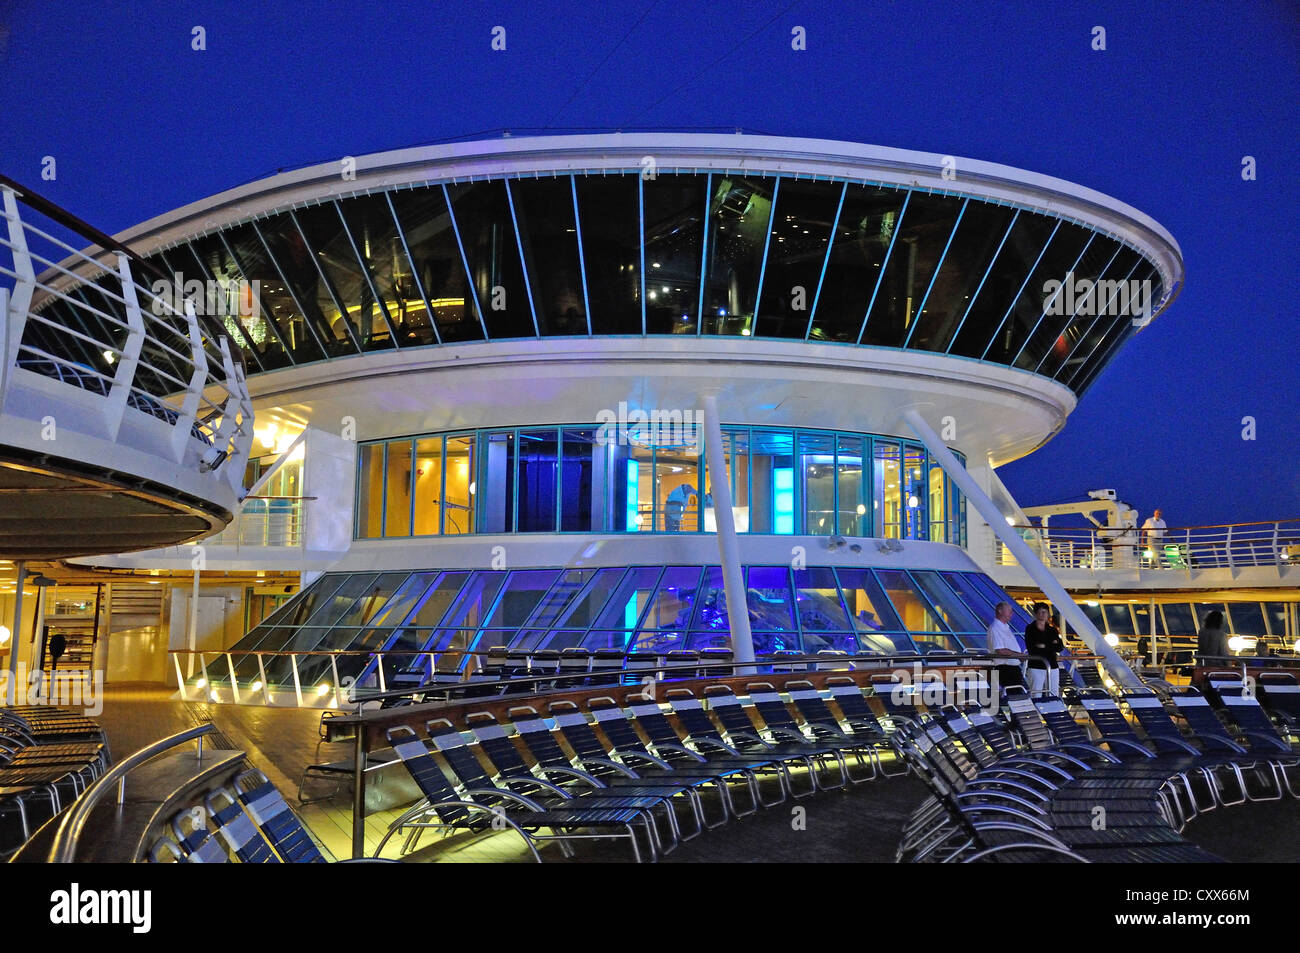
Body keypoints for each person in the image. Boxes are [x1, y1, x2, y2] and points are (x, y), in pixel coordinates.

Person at [1023, 603, 1064, 696]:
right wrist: (1051, 644)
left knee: (1054, 693)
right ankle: (1037, 710)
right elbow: (1032, 648)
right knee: (1036, 693)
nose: (1043, 614)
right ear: (1036, 614)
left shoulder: (1052, 630)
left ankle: (1053, 710)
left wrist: (1043, 645)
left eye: (1045, 612)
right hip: (1036, 666)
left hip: (1052, 665)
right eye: (1040, 612)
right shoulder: (1030, 629)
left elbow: (1060, 647)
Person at [985, 601, 1025, 691]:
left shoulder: (1005, 627)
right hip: (1005, 669)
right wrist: (1019, 655)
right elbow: (1000, 650)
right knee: (1012, 695)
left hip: (1013, 668)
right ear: (1000, 611)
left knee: (1017, 694)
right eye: (1009, 611)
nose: (1011, 613)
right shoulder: (995, 628)